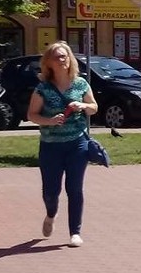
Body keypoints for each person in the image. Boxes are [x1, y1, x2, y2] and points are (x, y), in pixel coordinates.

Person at [27, 41, 99, 247]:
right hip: (51, 146)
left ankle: (75, 232)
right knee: (51, 191)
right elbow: (32, 115)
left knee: (74, 188)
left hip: (77, 143)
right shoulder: (43, 88)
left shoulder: (81, 84)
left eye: (65, 56)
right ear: (48, 62)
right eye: (57, 57)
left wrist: (83, 105)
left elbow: (94, 107)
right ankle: (51, 214)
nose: (62, 60)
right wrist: (49, 121)